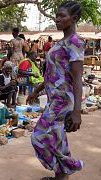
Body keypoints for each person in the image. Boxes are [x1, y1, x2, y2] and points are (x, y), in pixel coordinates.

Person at [27, 1, 85, 179]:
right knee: (56, 139)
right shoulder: (62, 42)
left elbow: (77, 78)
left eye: (62, 16)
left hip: (63, 101)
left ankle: (69, 167)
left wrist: (77, 111)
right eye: (57, 15)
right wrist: (37, 90)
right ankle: (61, 175)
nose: (57, 19)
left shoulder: (75, 42)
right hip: (54, 100)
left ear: (73, 19)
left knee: (39, 136)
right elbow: (53, 74)